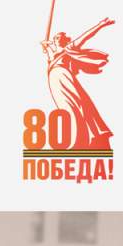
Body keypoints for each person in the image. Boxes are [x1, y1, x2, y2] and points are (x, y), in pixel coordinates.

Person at [41, 17, 115, 150]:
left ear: (65, 40)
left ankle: (83, 138)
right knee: (64, 108)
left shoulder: (69, 48)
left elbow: (85, 36)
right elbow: (48, 51)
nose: (58, 39)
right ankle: (74, 138)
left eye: (60, 37)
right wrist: (45, 45)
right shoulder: (52, 54)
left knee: (75, 105)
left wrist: (100, 25)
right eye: (56, 37)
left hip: (64, 78)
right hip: (55, 82)